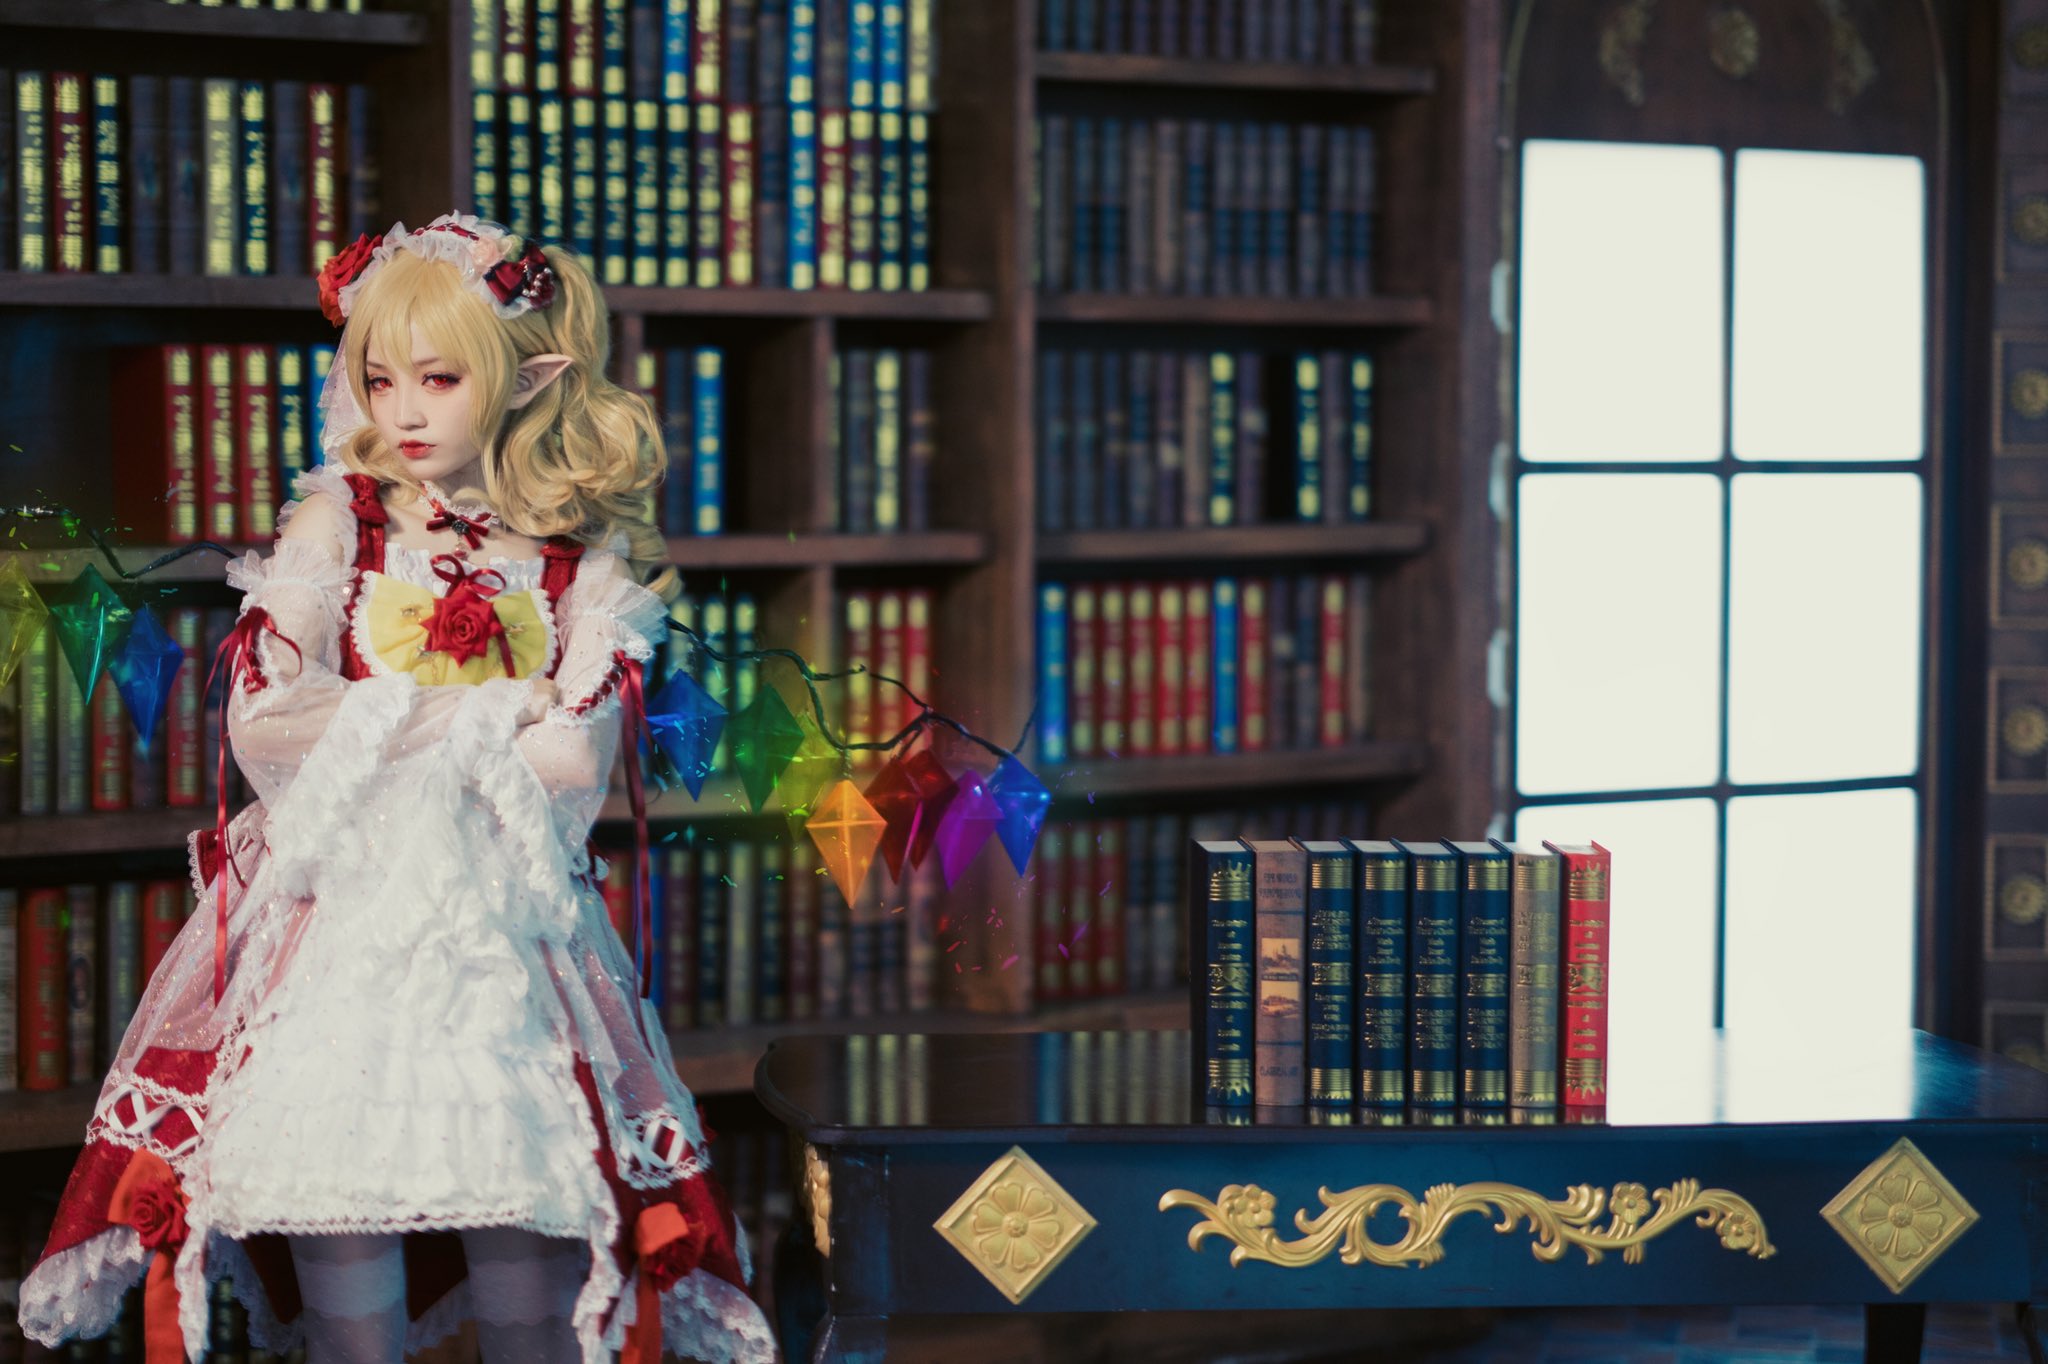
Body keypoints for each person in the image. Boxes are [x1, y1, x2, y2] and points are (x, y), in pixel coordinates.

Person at [18, 215, 776, 1364]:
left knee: (532, 1265)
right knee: (344, 1273)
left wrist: (378, 715)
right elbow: (263, 719)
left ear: (531, 377)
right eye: (380, 378)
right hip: (338, 944)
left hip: (507, 951)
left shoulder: (578, 552)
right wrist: (495, 711)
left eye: (439, 377)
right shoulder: (340, 522)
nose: (404, 410)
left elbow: (575, 757)